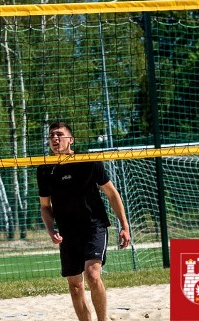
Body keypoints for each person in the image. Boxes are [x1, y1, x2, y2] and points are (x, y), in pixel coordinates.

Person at [36, 121, 131, 321]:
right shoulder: (44, 169)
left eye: (59, 135)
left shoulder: (88, 160)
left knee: (93, 275)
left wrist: (124, 225)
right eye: (51, 135)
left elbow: (112, 194)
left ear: (70, 140)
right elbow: (45, 206)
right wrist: (50, 229)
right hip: (67, 232)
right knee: (75, 285)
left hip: (93, 226)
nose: (55, 138)